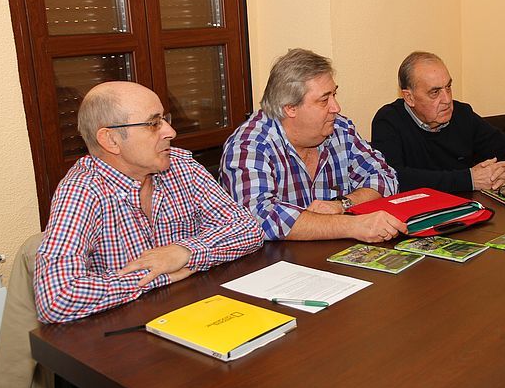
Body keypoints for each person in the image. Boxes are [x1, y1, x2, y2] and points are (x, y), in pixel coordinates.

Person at [34, 81, 264, 324]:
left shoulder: (180, 165)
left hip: (197, 312)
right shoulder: (82, 191)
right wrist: (157, 274)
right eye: (153, 123)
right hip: (130, 337)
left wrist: (185, 252)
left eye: (165, 119)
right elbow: (56, 297)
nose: (170, 131)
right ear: (111, 140)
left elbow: (248, 229)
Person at [220, 48, 405, 242]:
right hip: (276, 266)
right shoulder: (250, 145)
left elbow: (385, 177)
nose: (336, 107)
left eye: (334, 94)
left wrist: (342, 204)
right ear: (290, 108)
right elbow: (258, 217)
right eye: (324, 100)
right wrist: (352, 226)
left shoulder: (340, 129)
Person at [371, 51, 505, 192]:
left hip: (468, 211)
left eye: (448, 87)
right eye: (435, 92)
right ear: (409, 97)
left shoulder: (462, 114)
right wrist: (469, 179)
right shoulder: (388, 121)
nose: (447, 99)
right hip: (420, 218)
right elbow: (394, 178)